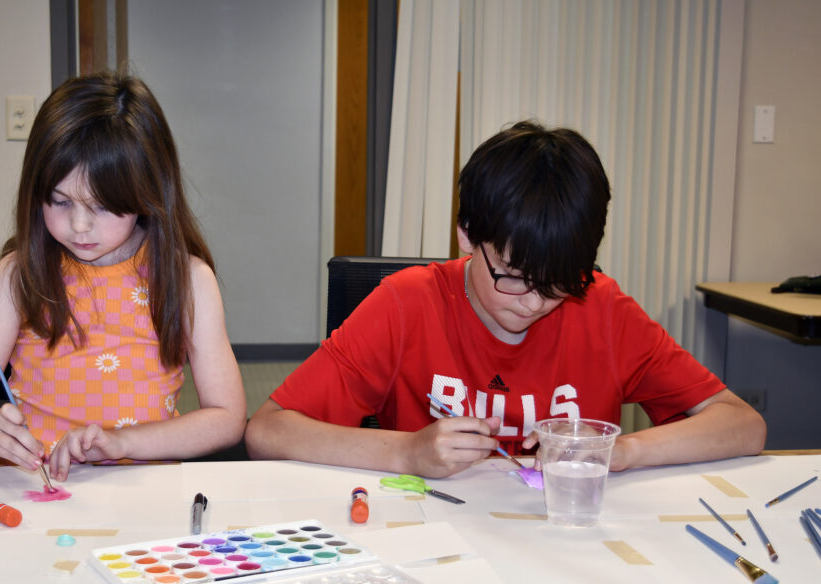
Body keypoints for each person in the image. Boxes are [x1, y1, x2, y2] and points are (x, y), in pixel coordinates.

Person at [245, 121, 765, 478]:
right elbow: (267, 432)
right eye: (514, 277)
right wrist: (407, 452)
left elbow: (742, 424)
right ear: (468, 236)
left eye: (559, 281)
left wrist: (620, 451)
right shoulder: (406, 305)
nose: (535, 302)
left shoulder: (601, 308)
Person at [0, 72, 246, 481]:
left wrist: (123, 443)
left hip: (142, 490)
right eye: (60, 201)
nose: (79, 225)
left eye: (101, 206)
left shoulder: (187, 280)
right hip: (32, 494)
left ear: (146, 193)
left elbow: (227, 418)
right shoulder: (17, 276)